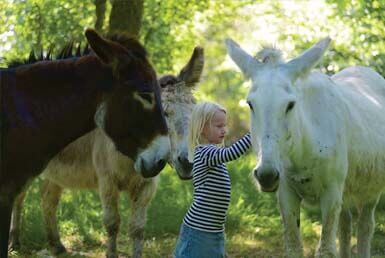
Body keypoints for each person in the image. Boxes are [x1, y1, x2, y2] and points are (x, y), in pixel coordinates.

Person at [174, 101, 251, 258]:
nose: (224, 130)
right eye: (218, 126)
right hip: (199, 229)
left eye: (224, 125)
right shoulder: (204, 152)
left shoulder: (211, 152)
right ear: (202, 127)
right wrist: (253, 134)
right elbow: (231, 153)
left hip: (213, 228)